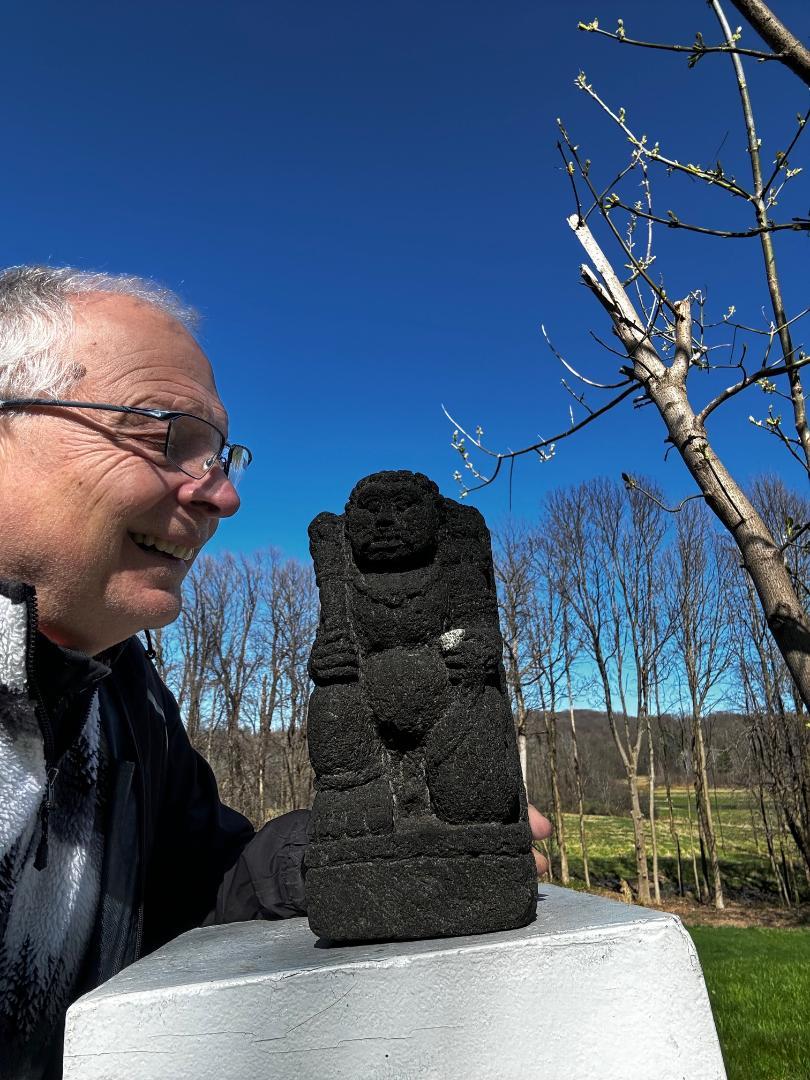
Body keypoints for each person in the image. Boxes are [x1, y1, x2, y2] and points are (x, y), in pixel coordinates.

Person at [0, 267, 552, 1079]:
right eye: (164, 433)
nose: (222, 496)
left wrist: (329, 848)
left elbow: (195, 888)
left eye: (220, 453)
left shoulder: (122, 697)